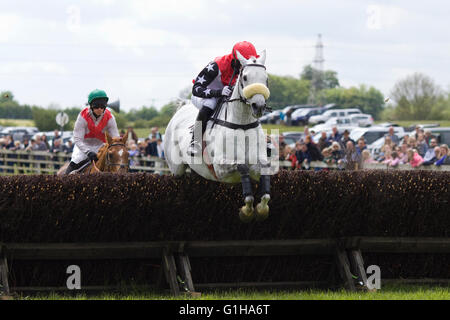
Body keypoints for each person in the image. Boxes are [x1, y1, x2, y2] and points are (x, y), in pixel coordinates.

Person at [187, 41, 260, 156]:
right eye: (242, 62)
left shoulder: (245, 70)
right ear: (235, 59)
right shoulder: (216, 65)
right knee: (211, 103)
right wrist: (218, 92)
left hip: (225, 97)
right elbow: (196, 89)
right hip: (203, 95)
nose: (245, 65)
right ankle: (195, 141)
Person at [65, 89, 120, 174]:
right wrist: (88, 152)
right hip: (83, 147)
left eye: (102, 106)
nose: (99, 109)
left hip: (101, 147)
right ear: (90, 106)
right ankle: (65, 178)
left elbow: (116, 138)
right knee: (76, 160)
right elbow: (77, 139)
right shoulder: (82, 116)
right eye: (96, 106)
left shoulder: (110, 117)